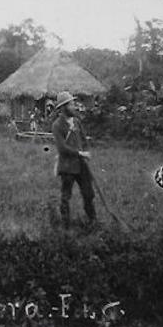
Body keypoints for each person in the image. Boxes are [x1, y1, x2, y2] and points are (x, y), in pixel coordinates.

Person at [52, 91, 96, 228]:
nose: (74, 106)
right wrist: (80, 153)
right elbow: (62, 148)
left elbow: (83, 139)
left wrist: (86, 151)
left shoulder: (77, 122)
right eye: (71, 104)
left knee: (89, 194)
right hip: (67, 166)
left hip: (82, 165)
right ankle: (66, 226)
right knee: (66, 197)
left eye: (73, 104)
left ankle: (92, 221)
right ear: (63, 107)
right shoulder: (57, 125)